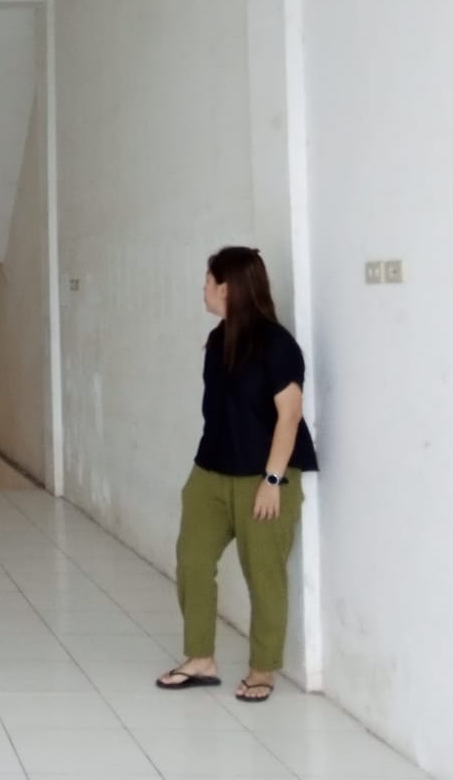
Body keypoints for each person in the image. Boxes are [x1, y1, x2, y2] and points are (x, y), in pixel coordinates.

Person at [155, 246, 319, 703]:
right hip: (210, 472)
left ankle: (262, 670)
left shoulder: (277, 344)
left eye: (208, 281)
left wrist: (272, 480)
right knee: (192, 560)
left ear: (226, 288)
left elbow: (289, 415)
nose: (203, 289)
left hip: (263, 478)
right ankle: (200, 659)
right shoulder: (218, 340)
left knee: (263, 574)